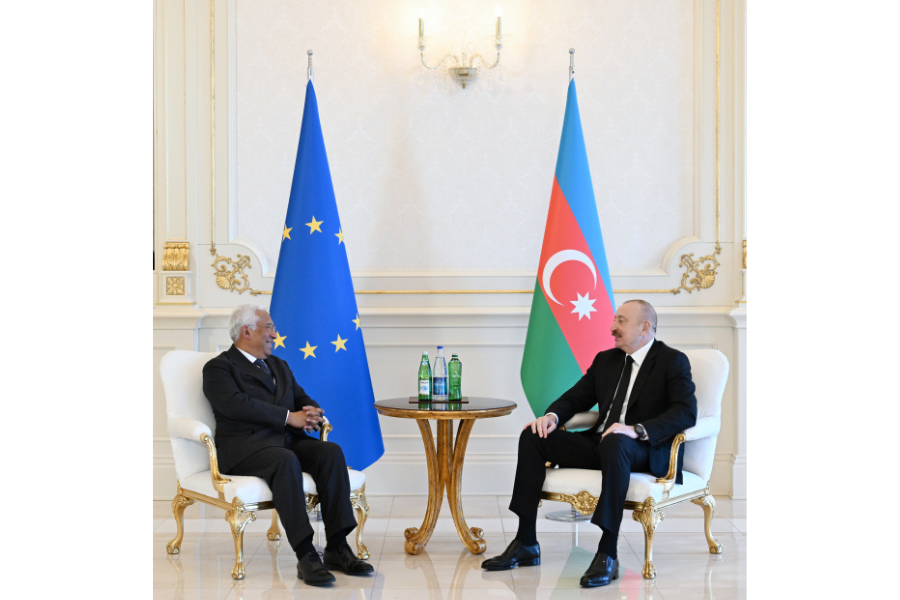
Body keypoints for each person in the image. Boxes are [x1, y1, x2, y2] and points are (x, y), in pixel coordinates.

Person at [482, 299, 697, 587]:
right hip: (602, 444)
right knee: (533, 436)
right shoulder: (606, 360)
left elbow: (686, 412)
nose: (612, 327)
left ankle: (607, 553)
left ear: (644, 327)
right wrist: (551, 417)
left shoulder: (672, 361)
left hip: (642, 449)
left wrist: (636, 430)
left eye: (621, 321)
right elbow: (575, 398)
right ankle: (526, 542)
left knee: (616, 441)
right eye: (615, 320)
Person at [202, 304, 374, 586]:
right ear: (247, 331)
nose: (274, 333)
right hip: (246, 448)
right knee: (285, 460)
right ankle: (306, 554)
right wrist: (288, 417)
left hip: (285, 442)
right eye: (269, 327)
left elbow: (300, 398)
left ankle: (337, 546)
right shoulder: (219, 367)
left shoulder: (278, 365)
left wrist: (312, 412)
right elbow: (235, 405)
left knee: (330, 452)